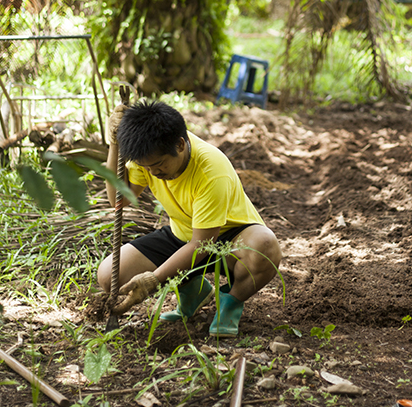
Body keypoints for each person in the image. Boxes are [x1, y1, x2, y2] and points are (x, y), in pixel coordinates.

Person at [97, 100, 282, 337]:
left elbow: (202, 244)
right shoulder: (149, 153)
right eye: (146, 167)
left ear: (180, 144)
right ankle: (194, 292)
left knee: (265, 247)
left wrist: (153, 280)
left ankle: (231, 302)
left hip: (231, 239)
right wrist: (114, 144)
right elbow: (118, 201)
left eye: (159, 165)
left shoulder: (211, 171)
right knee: (108, 275)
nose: (153, 173)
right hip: (184, 236)